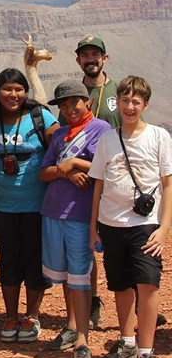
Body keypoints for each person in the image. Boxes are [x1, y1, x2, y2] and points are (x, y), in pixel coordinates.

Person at [89, 76, 172, 358]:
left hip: (145, 226)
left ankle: (147, 353)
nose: (129, 106)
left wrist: (164, 228)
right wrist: (93, 229)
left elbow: (168, 184)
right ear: (118, 102)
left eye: (136, 101)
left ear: (145, 105)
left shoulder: (159, 136)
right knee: (121, 285)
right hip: (111, 224)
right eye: (125, 100)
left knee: (148, 285)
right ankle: (126, 343)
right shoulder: (108, 139)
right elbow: (98, 185)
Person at [0, 68, 58, 344]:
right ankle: (11, 316)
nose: (13, 95)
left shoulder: (40, 116)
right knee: (9, 261)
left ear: (26, 92)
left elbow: (60, 148)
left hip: (37, 205)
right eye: (7, 89)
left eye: (19, 89)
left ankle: (31, 317)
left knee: (34, 260)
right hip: (3, 206)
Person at [39, 79, 111, 358]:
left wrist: (75, 165)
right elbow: (44, 173)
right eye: (64, 105)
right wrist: (66, 171)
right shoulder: (60, 135)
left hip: (82, 214)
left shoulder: (101, 131)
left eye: (74, 103)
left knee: (80, 275)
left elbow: (105, 167)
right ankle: (71, 325)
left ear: (88, 103)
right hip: (54, 211)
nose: (69, 109)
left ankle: (83, 342)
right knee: (67, 276)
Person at [67, 36, 122, 329]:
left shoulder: (118, 90)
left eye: (95, 54)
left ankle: (134, 302)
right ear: (78, 60)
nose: (90, 59)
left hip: (117, 177)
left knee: (122, 240)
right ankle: (94, 302)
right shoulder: (74, 93)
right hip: (86, 182)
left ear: (105, 58)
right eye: (84, 55)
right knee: (87, 242)